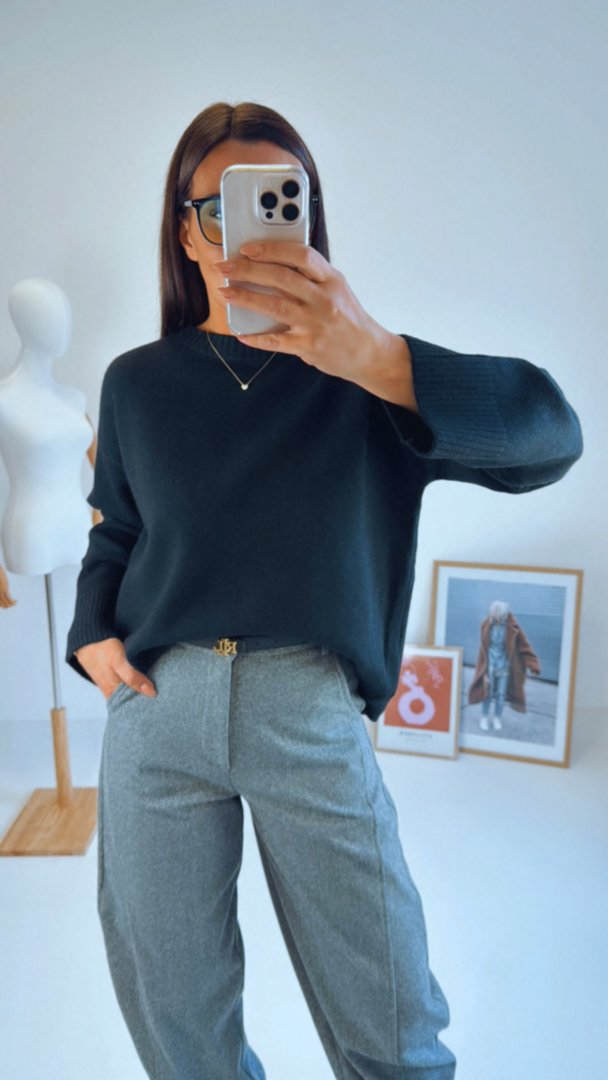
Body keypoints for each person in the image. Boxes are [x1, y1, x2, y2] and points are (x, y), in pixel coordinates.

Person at [65, 100, 583, 1079]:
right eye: (218, 207)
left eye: (277, 200)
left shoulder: (368, 380)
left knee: (391, 1023)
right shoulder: (136, 382)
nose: (246, 229)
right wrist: (92, 630)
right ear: (186, 230)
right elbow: (118, 530)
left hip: (306, 707)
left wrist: (379, 357)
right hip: (157, 711)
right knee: (177, 1024)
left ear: (307, 218)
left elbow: (551, 439)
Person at [468, 600, 541, 731]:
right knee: (487, 693)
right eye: (493, 613)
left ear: (503, 614)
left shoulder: (512, 628)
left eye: (497, 614)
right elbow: (482, 649)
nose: (494, 616)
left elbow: (524, 647)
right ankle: (484, 717)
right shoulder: (485, 625)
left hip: (504, 667)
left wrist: (533, 664)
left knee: (500, 695)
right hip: (489, 666)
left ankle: (497, 718)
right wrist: (481, 667)